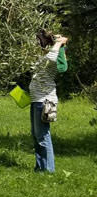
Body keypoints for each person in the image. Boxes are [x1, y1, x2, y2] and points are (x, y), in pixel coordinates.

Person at [28, 30, 68, 173]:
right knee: (36, 135)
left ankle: (49, 170)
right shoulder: (43, 57)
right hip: (36, 100)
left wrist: (59, 41)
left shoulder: (52, 57)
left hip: (44, 101)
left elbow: (52, 56)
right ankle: (40, 167)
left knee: (43, 136)